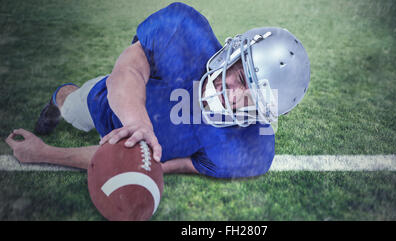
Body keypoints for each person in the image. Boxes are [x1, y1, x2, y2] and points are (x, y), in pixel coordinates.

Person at [5, 2, 310, 179]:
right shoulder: (184, 31)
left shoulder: (251, 150)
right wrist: (137, 123)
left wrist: (153, 164)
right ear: (235, 53)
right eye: (242, 77)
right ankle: (57, 99)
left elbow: (184, 164)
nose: (232, 95)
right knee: (72, 106)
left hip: (151, 139)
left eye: (250, 100)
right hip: (108, 101)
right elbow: (128, 69)